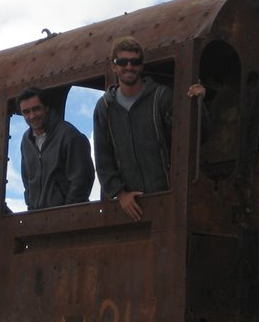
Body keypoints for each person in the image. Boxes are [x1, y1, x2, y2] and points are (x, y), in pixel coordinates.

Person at [93, 36, 206, 222]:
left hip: (167, 200)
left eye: (135, 62)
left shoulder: (162, 97)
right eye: (123, 62)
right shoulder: (104, 107)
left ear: (141, 66)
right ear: (114, 66)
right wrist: (121, 195)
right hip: (130, 209)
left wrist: (199, 103)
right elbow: (102, 157)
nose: (129, 66)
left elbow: (192, 138)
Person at [16, 87, 95, 210]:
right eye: (26, 112)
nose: (31, 116)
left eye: (36, 109)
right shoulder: (26, 141)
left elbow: (81, 180)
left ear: (47, 107)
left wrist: (66, 212)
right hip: (38, 219)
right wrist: (31, 208)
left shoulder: (69, 135)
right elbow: (27, 182)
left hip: (69, 218)